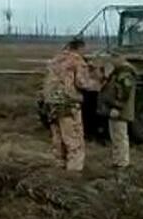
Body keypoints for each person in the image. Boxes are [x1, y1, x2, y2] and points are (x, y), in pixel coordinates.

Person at [41, 37, 101, 171]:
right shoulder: (77, 60)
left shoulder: (55, 60)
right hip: (69, 103)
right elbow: (82, 83)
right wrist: (98, 84)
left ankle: (58, 166)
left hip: (51, 103)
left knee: (57, 138)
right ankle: (74, 171)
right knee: (74, 139)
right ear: (80, 47)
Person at [98, 54, 137, 169]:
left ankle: (122, 162)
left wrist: (118, 107)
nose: (111, 62)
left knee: (120, 136)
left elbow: (125, 93)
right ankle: (117, 161)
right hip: (114, 109)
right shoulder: (119, 72)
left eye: (113, 59)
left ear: (120, 58)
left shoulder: (125, 73)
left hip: (120, 111)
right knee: (116, 136)